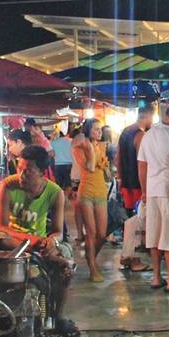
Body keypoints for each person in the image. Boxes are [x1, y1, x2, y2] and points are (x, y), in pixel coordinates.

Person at [0, 145, 79, 337]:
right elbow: (1, 225)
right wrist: (31, 241)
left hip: (39, 243)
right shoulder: (7, 185)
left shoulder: (55, 192)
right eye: (19, 168)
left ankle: (59, 318)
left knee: (65, 263)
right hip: (13, 241)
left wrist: (51, 241)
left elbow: (58, 231)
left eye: (28, 171)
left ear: (42, 172)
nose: (21, 175)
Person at [138, 103, 169, 293]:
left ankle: (156, 277)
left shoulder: (149, 135)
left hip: (152, 190)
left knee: (155, 234)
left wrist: (144, 191)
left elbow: (142, 165)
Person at [116, 105, 154, 272]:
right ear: (149, 115)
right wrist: (145, 189)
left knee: (131, 220)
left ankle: (127, 256)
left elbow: (117, 157)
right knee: (137, 223)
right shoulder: (141, 135)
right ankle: (132, 258)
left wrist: (120, 178)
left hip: (126, 183)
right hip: (137, 184)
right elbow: (142, 164)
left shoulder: (125, 132)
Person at [74, 118, 109, 282]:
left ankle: (91, 257)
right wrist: (89, 148)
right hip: (86, 191)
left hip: (101, 190)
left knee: (102, 234)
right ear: (88, 130)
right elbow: (89, 166)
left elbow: (105, 169)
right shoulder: (80, 147)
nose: (99, 132)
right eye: (96, 129)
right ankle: (93, 267)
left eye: (100, 129)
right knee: (91, 232)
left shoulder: (101, 146)